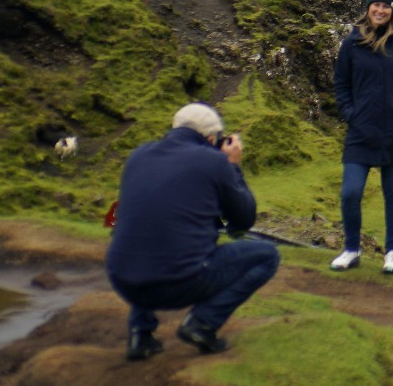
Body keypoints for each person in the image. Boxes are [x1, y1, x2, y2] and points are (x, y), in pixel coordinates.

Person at [105, 102, 280, 361]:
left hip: (122, 278)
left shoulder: (138, 155)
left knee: (147, 241)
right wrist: (231, 164)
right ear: (211, 138)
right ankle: (202, 323)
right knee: (267, 256)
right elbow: (243, 220)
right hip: (179, 281)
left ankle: (140, 335)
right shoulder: (214, 161)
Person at [330, 0, 393, 273]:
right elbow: (341, 83)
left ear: (392, 10)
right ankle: (350, 249)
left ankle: (392, 253)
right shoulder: (352, 43)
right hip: (361, 131)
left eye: (386, 6)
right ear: (368, 7)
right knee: (350, 192)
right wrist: (350, 113)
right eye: (376, 5)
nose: (380, 10)